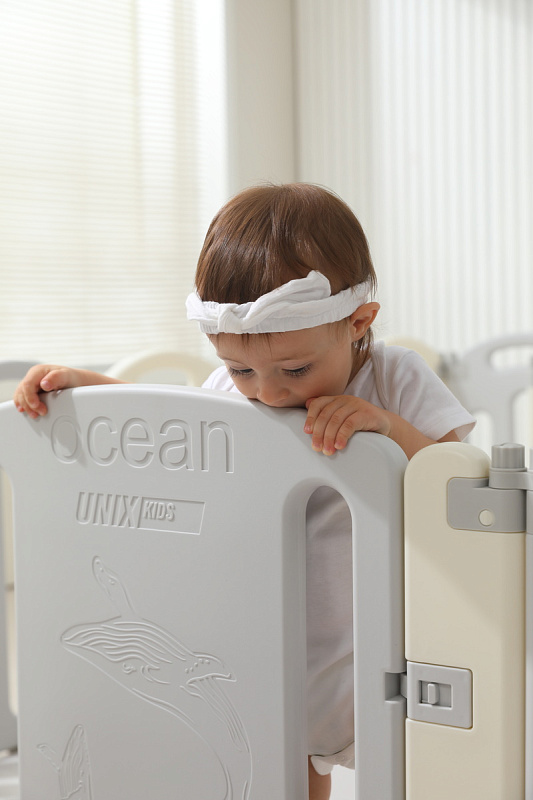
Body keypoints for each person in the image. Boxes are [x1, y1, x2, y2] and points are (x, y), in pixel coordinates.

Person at [14, 183, 475, 800]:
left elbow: (454, 477)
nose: (268, 392)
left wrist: (388, 429)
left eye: (295, 369)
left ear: (358, 322)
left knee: (409, 768)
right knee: (283, 770)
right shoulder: (232, 397)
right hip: (266, 637)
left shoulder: (395, 379)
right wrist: (86, 392)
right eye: (240, 369)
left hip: (374, 643)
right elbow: (170, 428)